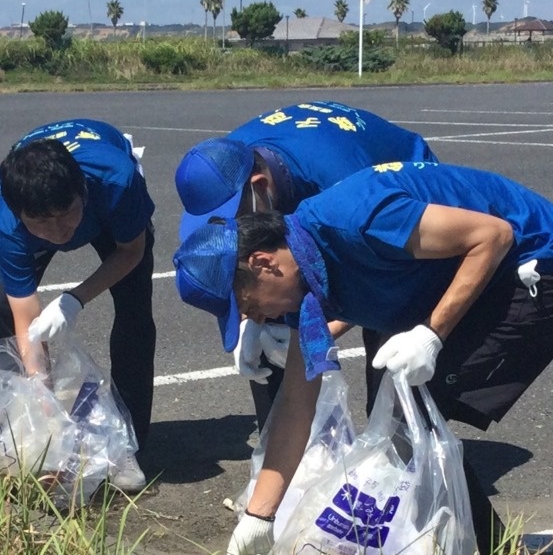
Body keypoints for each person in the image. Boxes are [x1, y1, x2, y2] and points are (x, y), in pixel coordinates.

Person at [174, 160, 553, 555]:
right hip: (471, 270)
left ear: (263, 264)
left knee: (414, 412)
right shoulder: (305, 278)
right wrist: (258, 517)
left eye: (250, 307)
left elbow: (493, 235)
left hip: (542, 269)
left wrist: (433, 333)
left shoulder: (354, 222)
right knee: (400, 413)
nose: (260, 320)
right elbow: (296, 403)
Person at [174, 100, 438, 424]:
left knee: (390, 342)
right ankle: (285, 447)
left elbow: (371, 279)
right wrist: (249, 322)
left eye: (238, 218)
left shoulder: (345, 190)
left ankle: (400, 445)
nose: (236, 229)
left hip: (406, 197)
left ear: (258, 186)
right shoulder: (222, 165)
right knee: (267, 297)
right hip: (302, 184)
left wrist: (318, 330)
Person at [0, 119, 156, 447]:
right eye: (44, 222)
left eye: (66, 214)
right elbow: (26, 316)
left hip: (105, 211)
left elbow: (131, 251)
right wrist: (42, 399)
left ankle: (132, 441)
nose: (60, 231)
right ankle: (20, 418)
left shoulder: (117, 180)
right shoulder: (8, 219)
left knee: (135, 310)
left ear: (82, 193)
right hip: (41, 213)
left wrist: (74, 299)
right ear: (20, 215)